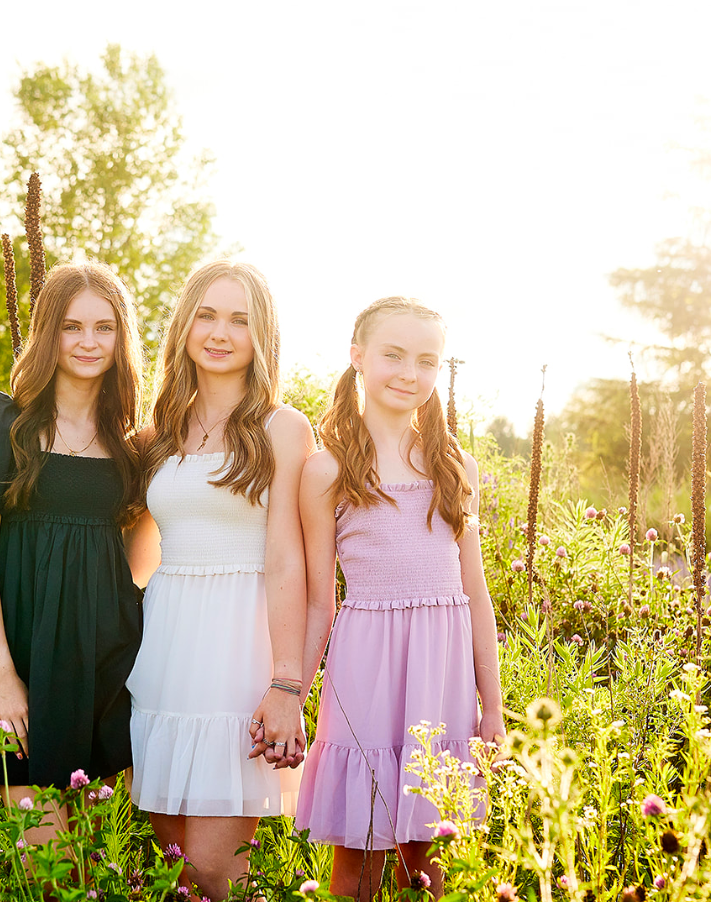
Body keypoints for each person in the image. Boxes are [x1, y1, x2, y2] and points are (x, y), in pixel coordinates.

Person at [293, 296, 506, 901]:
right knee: (359, 855)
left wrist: (492, 706)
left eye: (426, 361)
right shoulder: (327, 470)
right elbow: (318, 602)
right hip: (367, 668)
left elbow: (475, 593)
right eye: (393, 355)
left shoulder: (453, 465)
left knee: (428, 855)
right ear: (357, 356)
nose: (410, 373)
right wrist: (292, 697)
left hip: (441, 673)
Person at [125, 259, 315, 901]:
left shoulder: (282, 428)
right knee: (176, 866)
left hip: (240, 655)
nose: (219, 332)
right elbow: (139, 561)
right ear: (184, 325)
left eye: (239, 319)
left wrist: (286, 684)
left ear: (262, 336)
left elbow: (287, 560)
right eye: (206, 315)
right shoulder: (156, 435)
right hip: (165, 653)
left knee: (215, 869)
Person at [0, 262, 144, 845]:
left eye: (104, 327)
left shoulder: (128, 442)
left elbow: (136, 559)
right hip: (23, 661)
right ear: (47, 334)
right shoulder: (4, 425)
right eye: (71, 326)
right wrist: (2, 676)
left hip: (104, 666)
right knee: (43, 864)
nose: (89, 342)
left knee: (93, 862)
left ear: (121, 337)